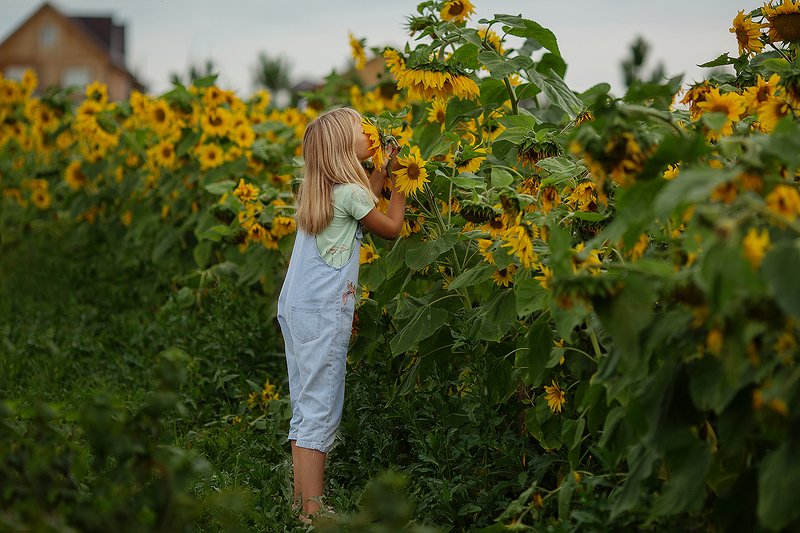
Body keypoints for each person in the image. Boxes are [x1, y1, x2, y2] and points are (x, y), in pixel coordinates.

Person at [276, 107, 406, 524]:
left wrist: (381, 172)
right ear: (342, 148)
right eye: (360, 129)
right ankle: (314, 514)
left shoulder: (324, 192)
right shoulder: (350, 194)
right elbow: (390, 227)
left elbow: (365, 198)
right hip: (322, 314)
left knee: (304, 406)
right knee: (321, 410)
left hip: (296, 309)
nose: (369, 132)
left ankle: (300, 505)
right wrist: (403, 182)